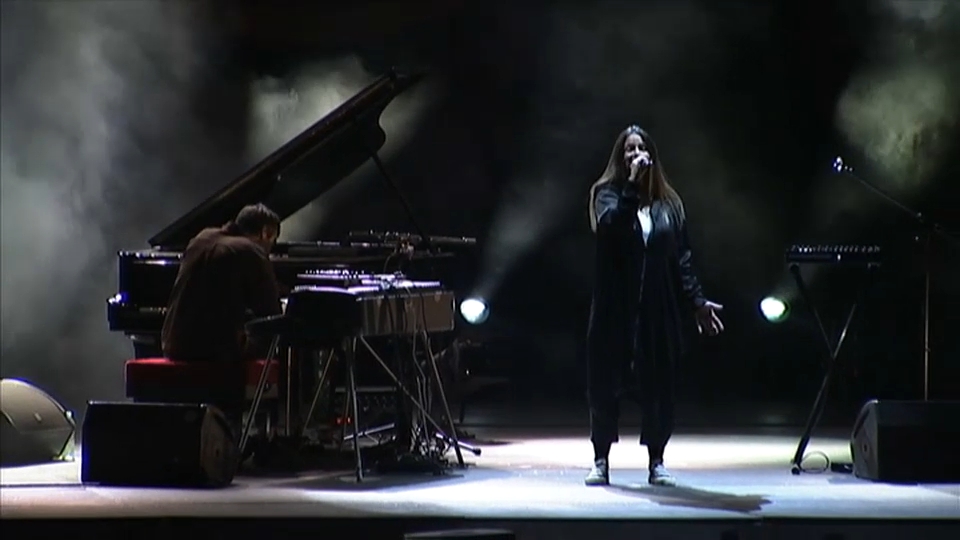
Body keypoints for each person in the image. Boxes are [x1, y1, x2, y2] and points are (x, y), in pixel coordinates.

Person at [584, 125, 724, 487]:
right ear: (620, 159)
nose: (636, 156)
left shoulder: (669, 206)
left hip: (656, 312)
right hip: (615, 312)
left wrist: (697, 303)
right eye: (629, 151)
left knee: (659, 389)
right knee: (605, 386)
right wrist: (630, 186)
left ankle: (656, 462)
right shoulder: (606, 196)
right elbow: (611, 231)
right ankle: (600, 459)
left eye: (641, 149)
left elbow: (683, 259)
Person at [161, 203, 283, 425]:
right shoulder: (251, 251)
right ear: (266, 232)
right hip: (213, 352)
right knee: (281, 346)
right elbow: (271, 312)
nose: (270, 248)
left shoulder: (201, 238)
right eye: (272, 241)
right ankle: (271, 431)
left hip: (173, 343)